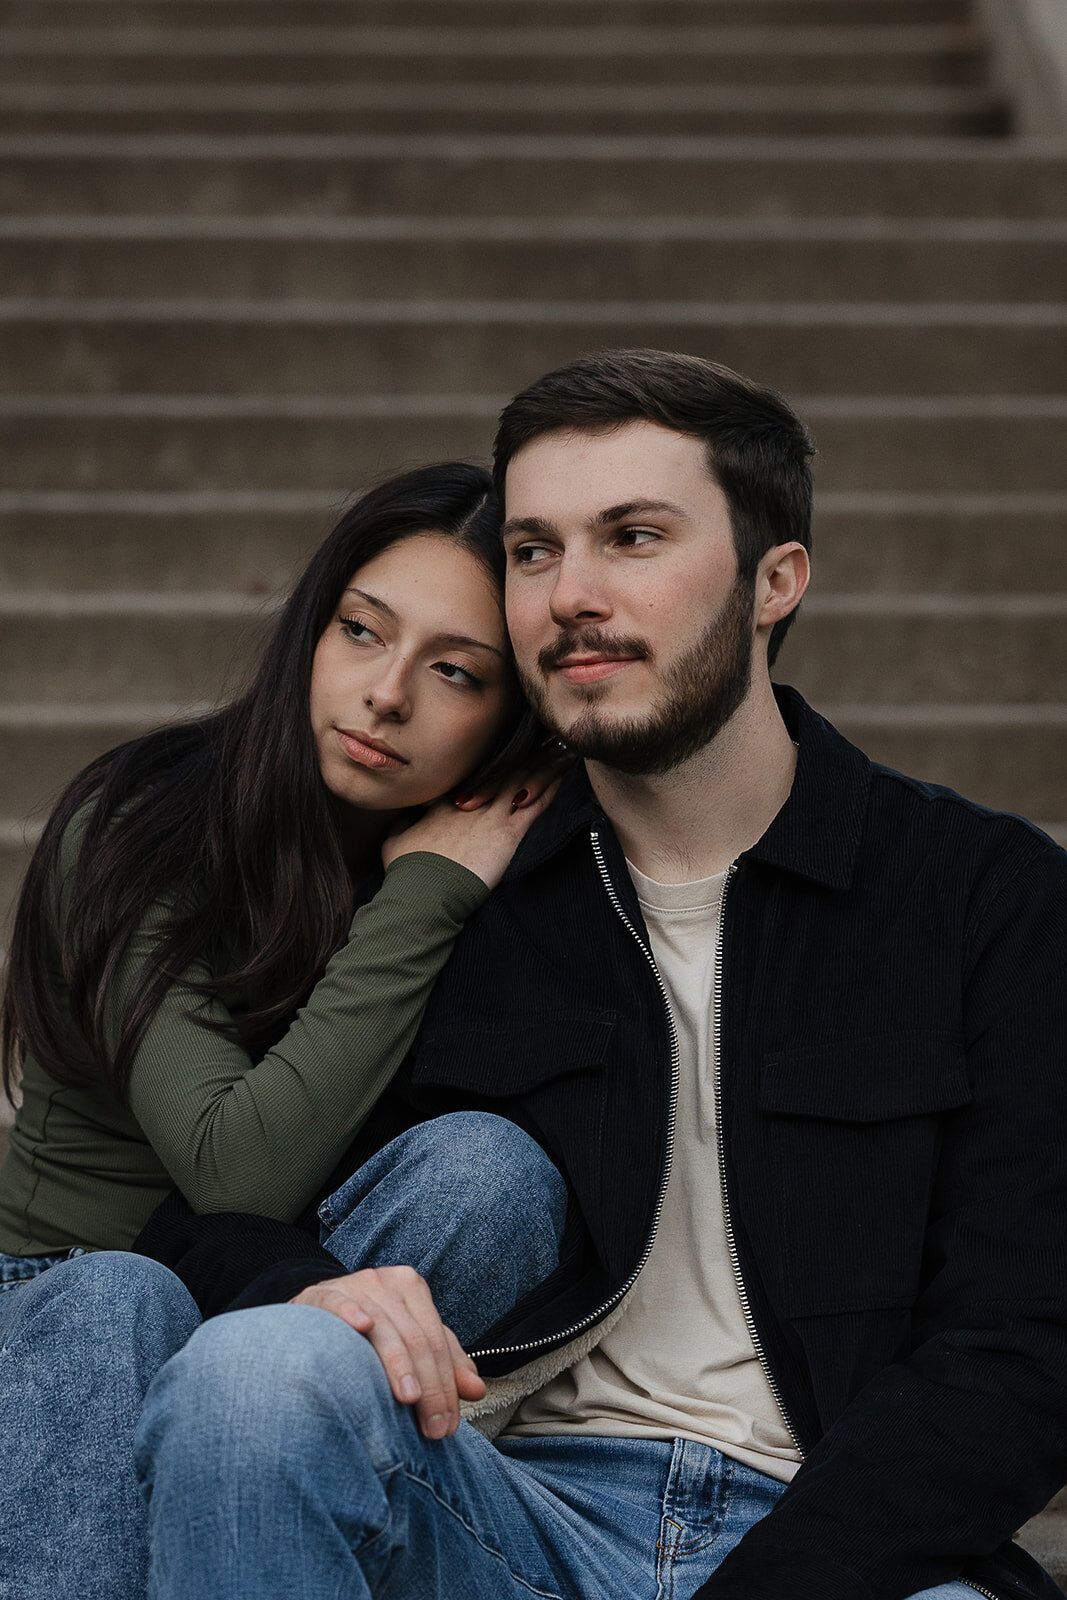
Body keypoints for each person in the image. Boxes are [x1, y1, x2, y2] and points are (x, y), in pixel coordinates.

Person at [135, 352, 1067, 1600]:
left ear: (771, 581)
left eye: (630, 538)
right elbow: (200, 1222)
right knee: (255, 1375)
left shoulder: (980, 895)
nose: (568, 595)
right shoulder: (455, 888)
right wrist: (320, 1291)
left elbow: (1020, 1347)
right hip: (511, 1512)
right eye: (532, 550)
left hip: (840, 1546)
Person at [0, 461, 564, 1600]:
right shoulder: (146, 820)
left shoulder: (504, 866)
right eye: (362, 631)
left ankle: (259, 1469)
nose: (385, 694)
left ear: (510, 718)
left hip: (274, 1308)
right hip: (53, 1313)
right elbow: (236, 1164)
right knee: (125, 1296)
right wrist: (422, 898)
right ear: (313, 625)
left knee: (489, 1175)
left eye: (454, 672)